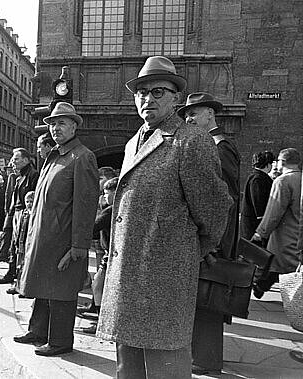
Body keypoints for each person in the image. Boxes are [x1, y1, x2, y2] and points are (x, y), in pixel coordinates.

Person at [96, 56, 232, 378]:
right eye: (142, 93)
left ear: (174, 98)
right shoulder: (133, 142)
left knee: (164, 366)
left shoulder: (190, 140)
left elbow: (213, 209)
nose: (148, 99)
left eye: (158, 92)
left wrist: (186, 252)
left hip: (165, 278)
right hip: (128, 276)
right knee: (128, 365)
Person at [15, 102, 99, 357]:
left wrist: (78, 246)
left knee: (61, 290)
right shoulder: (56, 156)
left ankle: (61, 341)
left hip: (63, 239)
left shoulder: (82, 157)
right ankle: (39, 331)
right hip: (46, 236)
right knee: (44, 285)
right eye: (52, 123)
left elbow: (86, 205)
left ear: (75, 126)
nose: (55, 128)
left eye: (62, 123)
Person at [178, 92, 242, 375]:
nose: (189, 118)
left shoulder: (220, 147)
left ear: (210, 115)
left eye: (194, 113)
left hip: (214, 239)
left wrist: (215, 240)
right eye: (187, 114)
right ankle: (200, 356)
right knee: (201, 299)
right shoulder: (207, 144)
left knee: (208, 298)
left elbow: (224, 197)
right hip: (208, 236)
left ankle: (206, 360)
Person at [252, 148, 302, 298]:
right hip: (299, 236)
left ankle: (260, 286)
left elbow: (274, 211)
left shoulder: (282, 181)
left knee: (274, 266)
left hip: (284, 237)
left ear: (283, 162)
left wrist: (260, 232)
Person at [78, 177, 118, 333]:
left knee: (98, 285)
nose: (105, 196)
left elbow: (94, 227)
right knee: (99, 285)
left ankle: (100, 322)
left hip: (110, 255)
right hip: (111, 254)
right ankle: (97, 314)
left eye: (107, 193)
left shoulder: (110, 210)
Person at [0, 148, 39, 285]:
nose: (12, 162)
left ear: (26, 160)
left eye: (16, 159)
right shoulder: (19, 176)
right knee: (14, 245)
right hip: (16, 213)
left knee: (21, 246)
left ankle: (21, 280)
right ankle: (12, 273)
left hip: (25, 215)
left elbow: (32, 199)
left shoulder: (33, 175)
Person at [241, 151, 275, 240]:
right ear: (268, 165)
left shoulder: (254, 176)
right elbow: (258, 202)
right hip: (255, 224)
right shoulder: (259, 179)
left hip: (251, 221)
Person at [7, 190, 35, 295]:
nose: (29, 204)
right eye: (27, 201)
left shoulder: (35, 215)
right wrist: (17, 243)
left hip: (30, 246)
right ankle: (18, 286)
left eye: (31, 201)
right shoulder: (24, 213)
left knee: (27, 268)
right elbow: (19, 229)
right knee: (20, 267)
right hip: (22, 245)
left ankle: (26, 289)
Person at [0, 167, 18, 263]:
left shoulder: (12, 176)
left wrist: (7, 210)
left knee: (7, 231)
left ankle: (4, 254)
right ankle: (5, 254)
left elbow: (9, 194)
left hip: (12, 210)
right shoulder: (12, 177)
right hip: (12, 209)